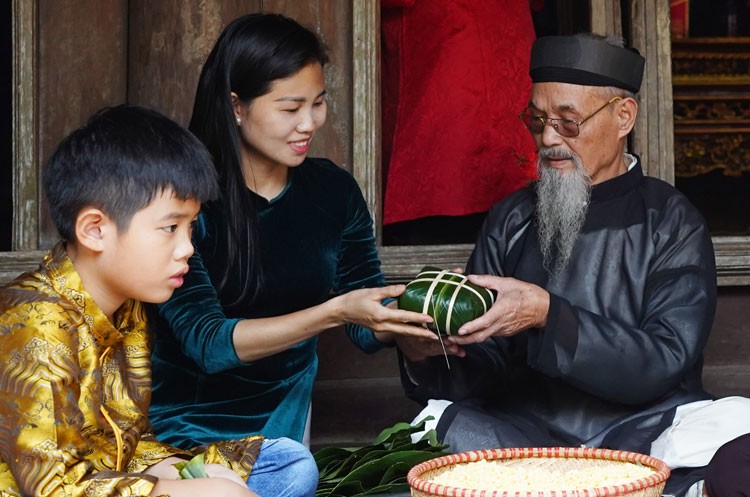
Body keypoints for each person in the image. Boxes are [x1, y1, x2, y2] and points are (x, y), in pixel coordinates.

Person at [394, 33, 750, 496]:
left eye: (568, 121)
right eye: (537, 119)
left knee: (734, 428)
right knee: (435, 425)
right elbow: (483, 368)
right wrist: (427, 353)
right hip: (523, 434)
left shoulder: (672, 220)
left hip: (646, 431)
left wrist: (548, 314)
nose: (547, 138)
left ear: (623, 116)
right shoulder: (513, 217)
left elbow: (665, 359)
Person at [148, 12, 435, 456]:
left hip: (285, 426)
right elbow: (209, 345)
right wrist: (334, 313)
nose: (309, 123)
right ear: (236, 105)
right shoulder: (185, 202)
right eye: (290, 108)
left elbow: (363, 320)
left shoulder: (332, 191)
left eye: (317, 103)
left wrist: (417, 310)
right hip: (186, 433)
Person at [0, 105, 261, 497]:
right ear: (95, 230)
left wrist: (173, 470)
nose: (187, 248)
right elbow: (52, 489)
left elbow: (123, 445)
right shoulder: (37, 323)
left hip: (107, 480)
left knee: (282, 462)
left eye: (190, 227)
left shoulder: (128, 307)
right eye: (170, 228)